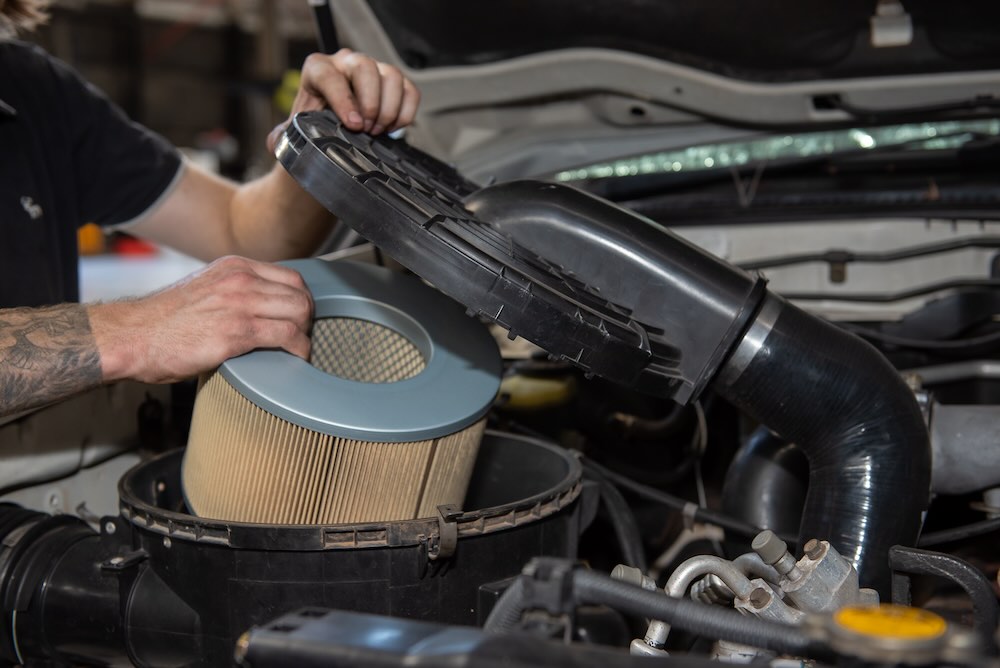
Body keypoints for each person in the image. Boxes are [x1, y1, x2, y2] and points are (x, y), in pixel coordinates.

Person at [0, 0, 420, 418]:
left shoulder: (35, 91)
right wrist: (134, 330)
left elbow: (239, 231)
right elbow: (138, 329)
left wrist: (320, 136)